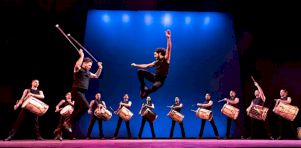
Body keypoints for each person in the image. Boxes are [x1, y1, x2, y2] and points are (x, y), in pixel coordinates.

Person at [64, 49, 103, 133]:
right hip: (76, 91)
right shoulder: (78, 69)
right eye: (89, 65)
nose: (90, 66)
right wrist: (81, 56)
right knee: (86, 107)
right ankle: (68, 122)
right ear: (84, 63)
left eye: (91, 65)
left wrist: (100, 68)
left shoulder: (88, 73)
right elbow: (77, 65)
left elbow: (96, 76)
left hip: (82, 93)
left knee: (75, 111)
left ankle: (60, 129)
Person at [131, 30, 172, 99]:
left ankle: (147, 91)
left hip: (160, 80)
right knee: (140, 72)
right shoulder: (156, 62)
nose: (154, 56)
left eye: (155, 54)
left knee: (155, 87)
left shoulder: (166, 59)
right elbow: (147, 66)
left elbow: (169, 49)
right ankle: (143, 87)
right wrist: (135, 65)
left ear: (159, 53)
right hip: (154, 77)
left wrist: (168, 38)